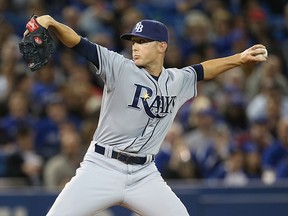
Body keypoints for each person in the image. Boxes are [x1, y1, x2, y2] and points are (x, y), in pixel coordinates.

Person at [26, 15, 267, 216]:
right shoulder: (119, 67)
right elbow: (79, 43)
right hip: (101, 166)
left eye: (143, 41)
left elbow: (204, 69)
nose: (135, 46)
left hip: (144, 174)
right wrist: (53, 23)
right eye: (134, 41)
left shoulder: (177, 80)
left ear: (162, 46)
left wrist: (239, 59)